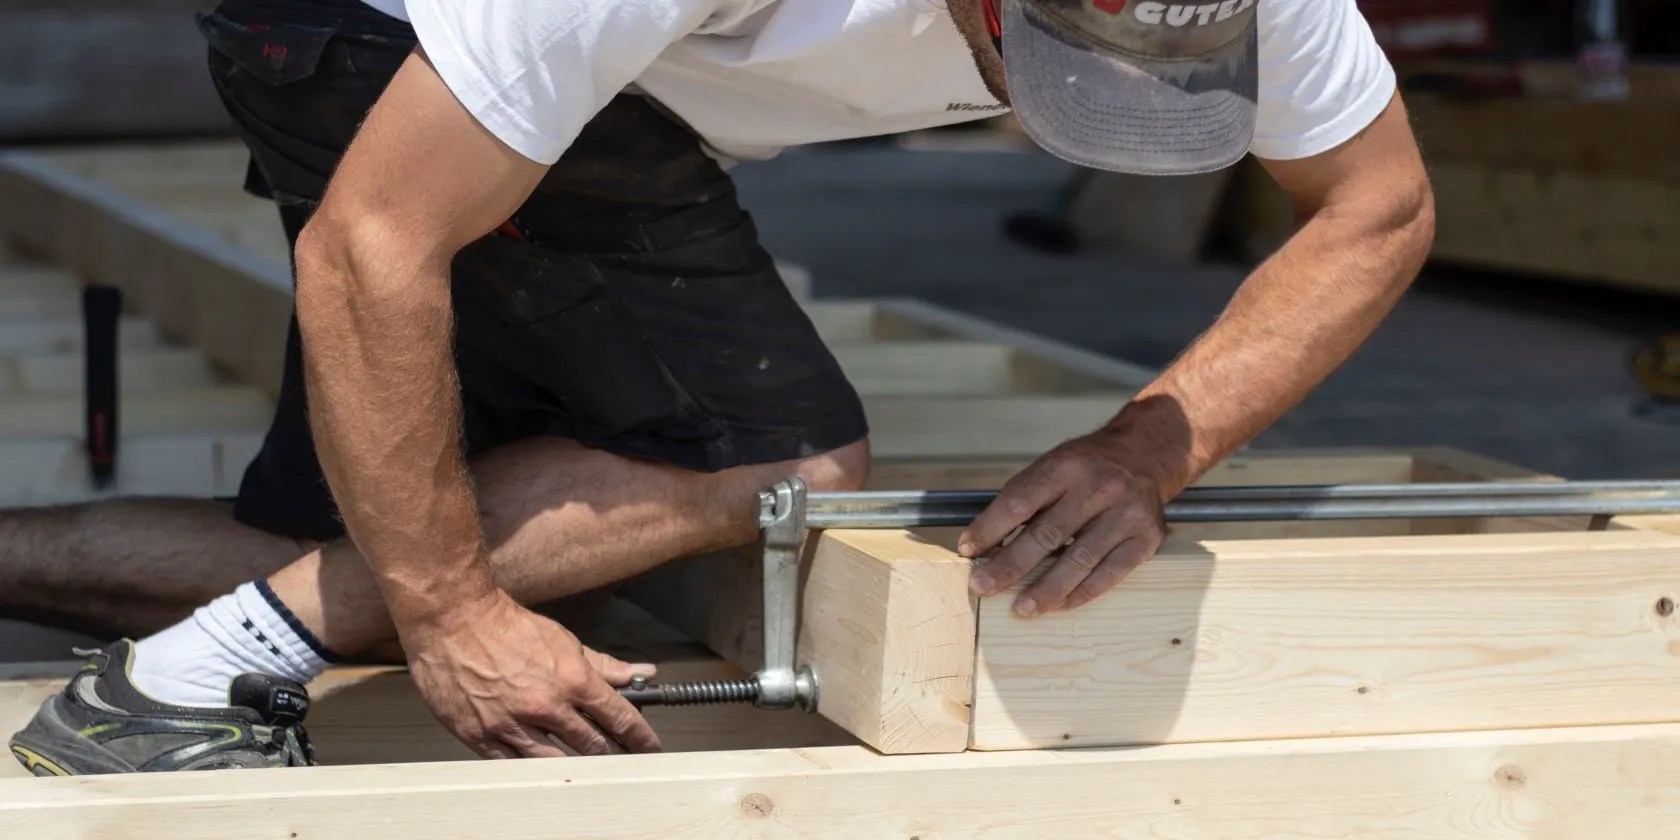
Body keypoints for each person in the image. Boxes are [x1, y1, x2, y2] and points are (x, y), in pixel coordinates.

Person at [4, 0, 1433, 774]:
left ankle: (194, 615)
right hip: (374, 29)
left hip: (565, 79)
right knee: (774, 461)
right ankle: (177, 688)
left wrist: (1146, 452)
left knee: (376, 540)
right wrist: (452, 620)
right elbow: (370, 243)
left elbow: (1376, 206)